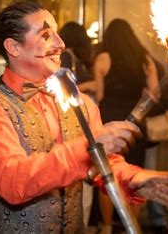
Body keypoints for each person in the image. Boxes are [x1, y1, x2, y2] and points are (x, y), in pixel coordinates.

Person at [0, 2, 168, 233]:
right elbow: (12, 180)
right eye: (46, 35)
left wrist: (131, 178)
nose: (61, 43)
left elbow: (100, 165)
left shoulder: (78, 101)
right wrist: (89, 147)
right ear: (14, 47)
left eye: (56, 33)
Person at [93, 18, 160, 233]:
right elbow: (154, 94)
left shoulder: (103, 58)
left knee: (108, 175)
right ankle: (132, 226)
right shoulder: (145, 59)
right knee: (135, 176)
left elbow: (100, 94)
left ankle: (105, 226)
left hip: (110, 124)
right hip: (135, 124)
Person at [58, 21, 96, 227]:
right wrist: (90, 85)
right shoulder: (66, 57)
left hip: (80, 123)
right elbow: (63, 89)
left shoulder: (72, 58)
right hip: (74, 124)